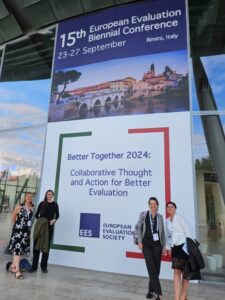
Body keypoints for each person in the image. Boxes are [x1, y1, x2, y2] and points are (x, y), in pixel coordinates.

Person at [137, 197, 166, 300]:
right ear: (149, 205)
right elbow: (138, 228)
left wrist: (164, 246)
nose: (153, 205)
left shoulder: (160, 217)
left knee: (156, 268)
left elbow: (162, 233)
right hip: (147, 245)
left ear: (157, 205)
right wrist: (139, 241)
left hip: (158, 245)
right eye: (151, 203)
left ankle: (150, 291)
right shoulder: (144, 215)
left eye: (154, 203)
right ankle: (159, 293)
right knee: (151, 267)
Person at [165, 201, 193, 300]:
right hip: (175, 248)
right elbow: (168, 236)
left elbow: (188, 232)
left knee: (185, 273)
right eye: (168, 207)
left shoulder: (180, 218)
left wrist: (191, 248)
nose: (170, 208)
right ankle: (176, 298)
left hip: (184, 247)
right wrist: (168, 248)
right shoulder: (167, 220)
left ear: (175, 208)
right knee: (177, 272)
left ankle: (183, 296)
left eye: (171, 206)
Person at [30, 189, 59, 273]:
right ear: (46, 195)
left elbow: (57, 215)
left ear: (52, 195)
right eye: (48, 194)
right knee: (36, 247)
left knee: (46, 248)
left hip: (49, 228)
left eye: (50, 194)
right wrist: (41, 222)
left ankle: (43, 267)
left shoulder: (55, 204)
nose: (49, 196)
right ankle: (34, 267)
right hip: (40, 228)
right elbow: (36, 215)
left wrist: (54, 220)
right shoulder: (42, 204)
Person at [7, 192, 34, 279]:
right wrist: (19, 226)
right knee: (17, 250)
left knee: (20, 250)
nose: (29, 198)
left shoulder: (32, 208)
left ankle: (12, 266)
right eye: (27, 196)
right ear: (25, 198)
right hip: (18, 232)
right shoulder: (19, 206)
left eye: (30, 196)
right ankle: (17, 271)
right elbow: (13, 217)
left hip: (26, 233)